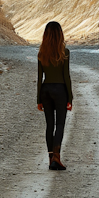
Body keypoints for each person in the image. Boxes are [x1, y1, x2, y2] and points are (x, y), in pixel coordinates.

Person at [37, 20, 73, 170]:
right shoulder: (64, 52)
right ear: (60, 34)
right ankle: (57, 158)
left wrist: (38, 99)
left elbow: (40, 78)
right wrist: (70, 98)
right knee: (60, 124)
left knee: (49, 125)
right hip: (60, 90)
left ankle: (51, 157)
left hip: (45, 90)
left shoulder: (41, 52)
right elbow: (66, 76)